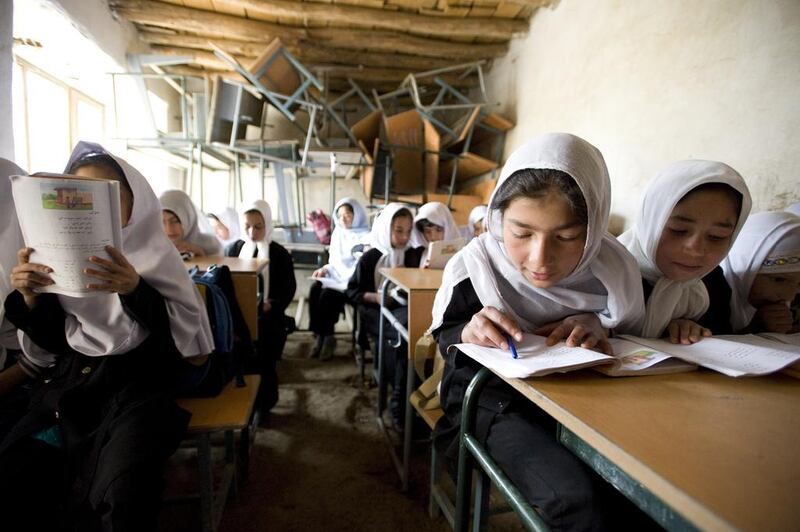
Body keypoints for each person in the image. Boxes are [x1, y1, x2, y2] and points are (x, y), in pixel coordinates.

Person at [430, 133, 647, 530]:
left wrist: (598, 325)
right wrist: (469, 329)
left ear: (594, 226)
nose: (539, 259)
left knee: (640, 491)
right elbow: (445, 335)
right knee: (576, 502)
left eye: (566, 237)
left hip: (588, 403)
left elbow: (635, 335)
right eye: (522, 233)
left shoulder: (614, 271)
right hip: (495, 404)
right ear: (498, 218)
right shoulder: (477, 268)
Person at [0, 141, 213, 531]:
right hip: (75, 394)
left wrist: (135, 289)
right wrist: (30, 297)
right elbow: (56, 345)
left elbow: (184, 354)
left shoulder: (158, 260)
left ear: (137, 208)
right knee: (16, 473)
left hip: (138, 396)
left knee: (122, 496)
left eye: (108, 199)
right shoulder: (61, 264)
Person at [619, 160, 751, 342]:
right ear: (649, 223)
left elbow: (723, 344)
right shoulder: (608, 274)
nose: (696, 249)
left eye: (717, 236)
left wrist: (695, 332)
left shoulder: (712, 282)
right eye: (678, 230)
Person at [346, 203, 423, 428]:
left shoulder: (413, 255)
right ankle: (399, 403)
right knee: (402, 339)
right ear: (386, 228)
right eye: (398, 230)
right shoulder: (371, 257)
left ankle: (403, 400)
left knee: (408, 338)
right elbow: (353, 291)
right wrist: (377, 298)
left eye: (408, 231)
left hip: (402, 312)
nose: (404, 237)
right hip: (375, 312)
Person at [225, 200, 295, 411]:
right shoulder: (233, 249)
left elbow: (288, 288)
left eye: (258, 226)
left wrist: (271, 305)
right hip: (238, 316)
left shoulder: (279, 254)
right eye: (247, 226)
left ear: (268, 225)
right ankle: (241, 403)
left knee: (264, 357)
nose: (252, 231)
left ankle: (265, 404)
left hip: (268, 315)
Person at [308, 198, 369, 360]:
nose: (343, 219)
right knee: (314, 290)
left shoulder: (366, 235)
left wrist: (345, 279)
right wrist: (324, 269)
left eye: (348, 215)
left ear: (356, 215)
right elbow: (334, 262)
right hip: (336, 278)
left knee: (327, 296)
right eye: (340, 215)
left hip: (354, 283)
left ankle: (328, 338)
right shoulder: (338, 233)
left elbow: (362, 265)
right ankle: (320, 335)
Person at [721, 211, 800, 333]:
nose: (789, 295)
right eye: (779, 280)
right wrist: (755, 329)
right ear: (747, 266)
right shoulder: (707, 294)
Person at [159, 189, 222, 258]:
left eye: (175, 221)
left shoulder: (210, 245)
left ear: (189, 219)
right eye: (163, 221)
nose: (169, 229)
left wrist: (200, 253)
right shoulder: (152, 246)